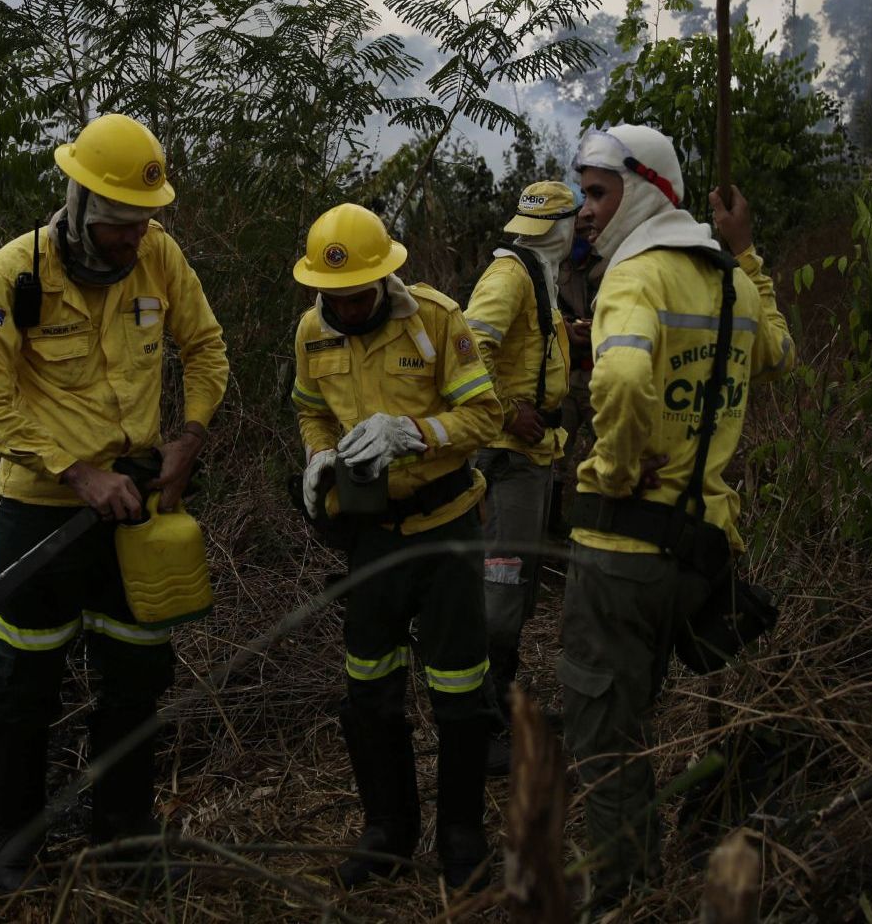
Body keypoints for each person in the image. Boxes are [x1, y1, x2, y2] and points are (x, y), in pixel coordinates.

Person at [0, 112, 229, 889]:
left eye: (145, 223)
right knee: (24, 684)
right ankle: (13, 849)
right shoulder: (15, 275)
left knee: (136, 676)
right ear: (77, 205)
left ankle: (124, 841)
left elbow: (206, 348)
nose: (133, 239)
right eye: (118, 225)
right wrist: (77, 471)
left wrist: (189, 438)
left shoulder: (159, 258)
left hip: (137, 510)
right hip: (42, 514)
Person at [559, 125, 797, 905]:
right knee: (642, 715)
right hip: (697, 556)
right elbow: (779, 354)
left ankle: (623, 895)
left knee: (606, 741)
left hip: (620, 550)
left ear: (652, 189)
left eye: (598, 193)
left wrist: (621, 466)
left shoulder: (635, 277)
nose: (585, 212)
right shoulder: (729, 280)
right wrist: (749, 253)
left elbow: (622, 378)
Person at [288, 202, 504, 891]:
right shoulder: (310, 333)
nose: (345, 311)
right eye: (333, 298)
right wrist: (319, 456)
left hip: (445, 526)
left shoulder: (437, 319)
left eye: (356, 298)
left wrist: (412, 432)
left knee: (460, 686)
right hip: (370, 534)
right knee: (370, 686)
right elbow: (310, 407)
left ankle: (462, 833)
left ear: (383, 279)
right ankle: (387, 832)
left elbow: (484, 415)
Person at [461, 181, 579, 775]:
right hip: (506, 460)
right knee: (500, 589)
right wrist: (508, 410)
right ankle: (480, 729)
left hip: (534, 462)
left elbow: (524, 346)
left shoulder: (539, 274)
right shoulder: (510, 277)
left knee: (519, 586)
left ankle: (502, 706)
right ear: (560, 227)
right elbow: (468, 348)